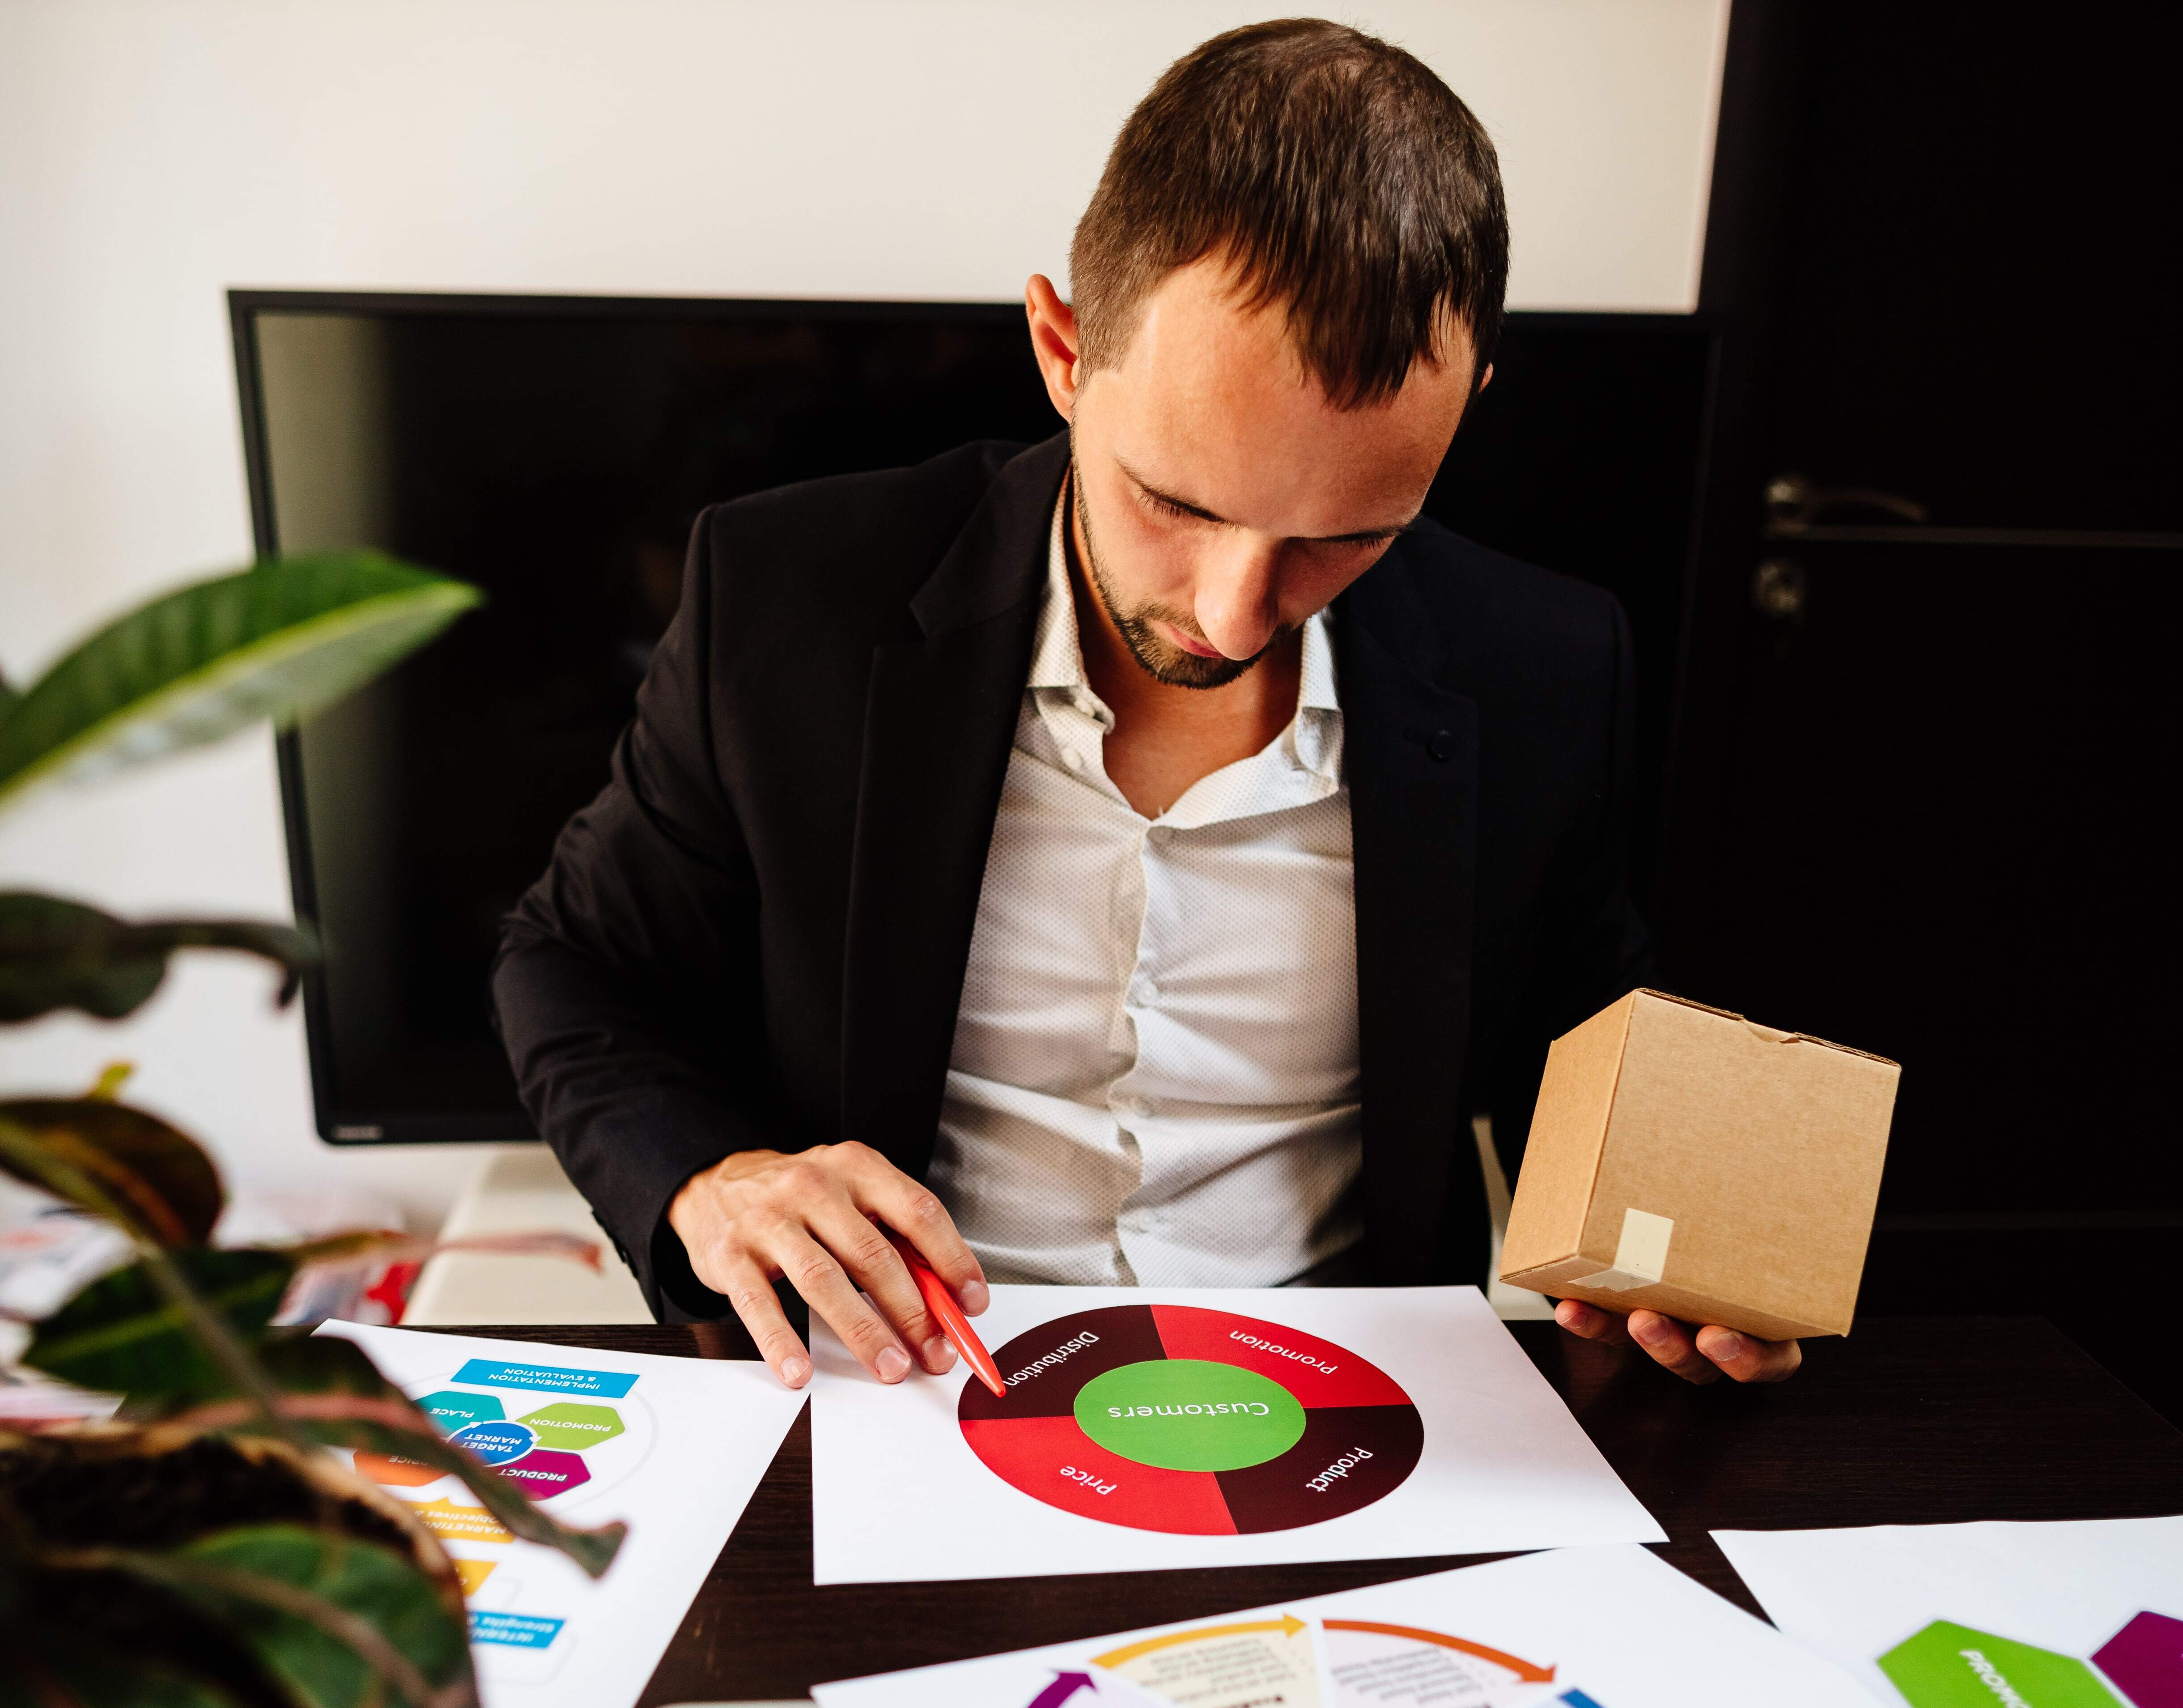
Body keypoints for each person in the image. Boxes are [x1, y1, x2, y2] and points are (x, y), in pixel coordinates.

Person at [494, 19, 1798, 1396]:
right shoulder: (785, 597)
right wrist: (716, 1178)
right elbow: (571, 966)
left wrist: (1689, 1240)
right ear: (1062, 351)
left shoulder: (1546, 658)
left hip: (1350, 1421)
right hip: (906, 1394)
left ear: (1464, 408)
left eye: (1349, 536)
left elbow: (1583, 1015)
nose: (1237, 615)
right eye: (1177, 502)